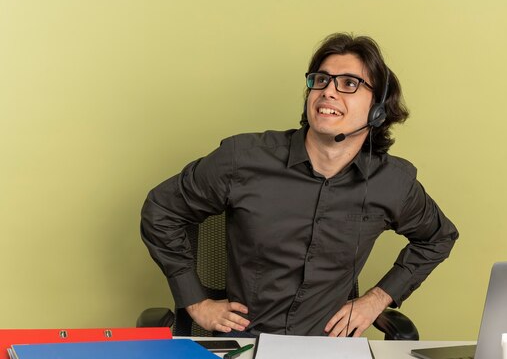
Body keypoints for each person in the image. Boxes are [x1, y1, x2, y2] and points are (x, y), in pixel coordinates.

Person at [140, 33, 459, 338]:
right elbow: (162, 210)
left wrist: (376, 299)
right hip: (245, 343)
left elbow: (438, 237)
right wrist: (195, 301)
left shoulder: (392, 182)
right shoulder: (243, 159)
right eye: (320, 80)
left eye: (349, 83)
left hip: (330, 351)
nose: (328, 91)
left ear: (378, 109)